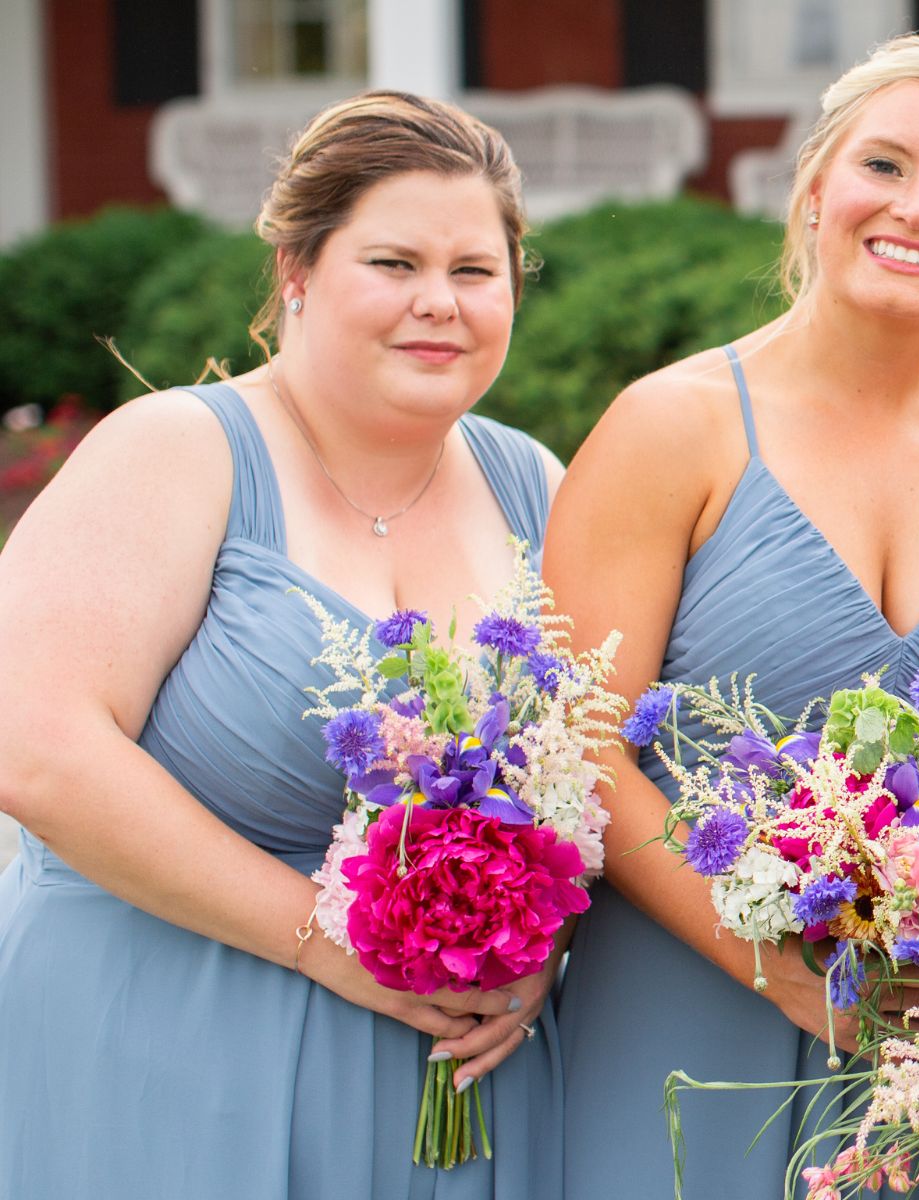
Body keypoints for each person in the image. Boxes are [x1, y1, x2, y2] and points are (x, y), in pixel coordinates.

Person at [0, 92, 563, 1196]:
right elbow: (37, 748)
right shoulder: (178, 452)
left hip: (449, 1082)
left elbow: (583, 772)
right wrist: (330, 943)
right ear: (297, 271)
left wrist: (544, 939)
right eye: (394, 263)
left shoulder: (533, 483)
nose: (438, 305)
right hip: (162, 1042)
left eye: (475, 271)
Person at [542, 32, 919, 1198]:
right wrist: (779, 969)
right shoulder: (671, 426)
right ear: (817, 183)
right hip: (680, 1004)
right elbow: (577, 748)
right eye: (885, 166)